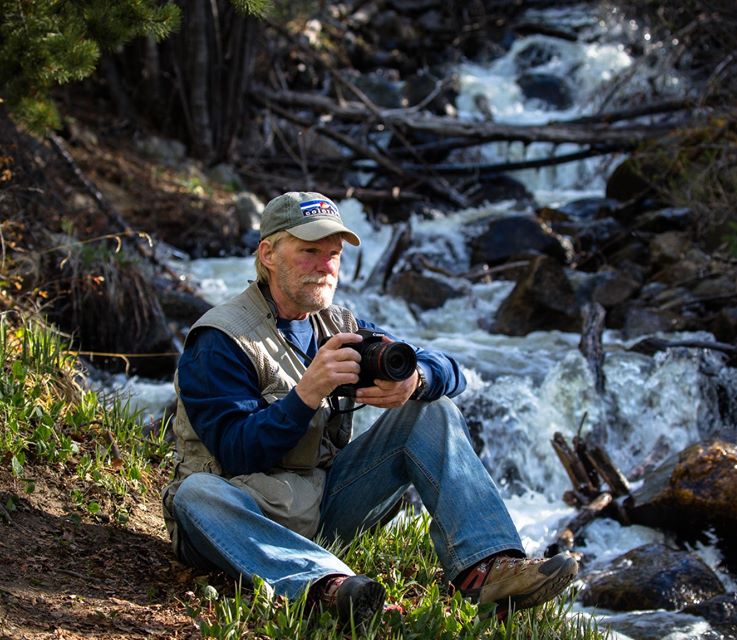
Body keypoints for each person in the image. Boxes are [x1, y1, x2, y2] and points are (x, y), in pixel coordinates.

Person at [161, 191, 578, 629]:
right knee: (196, 495)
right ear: (268, 253)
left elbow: (451, 369)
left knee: (430, 412)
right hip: (239, 518)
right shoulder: (221, 339)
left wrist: (415, 380)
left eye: (334, 254)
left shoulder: (339, 327)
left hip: (322, 504)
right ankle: (325, 586)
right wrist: (305, 395)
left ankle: (486, 567)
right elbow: (234, 453)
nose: (325, 266)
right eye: (309, 252)